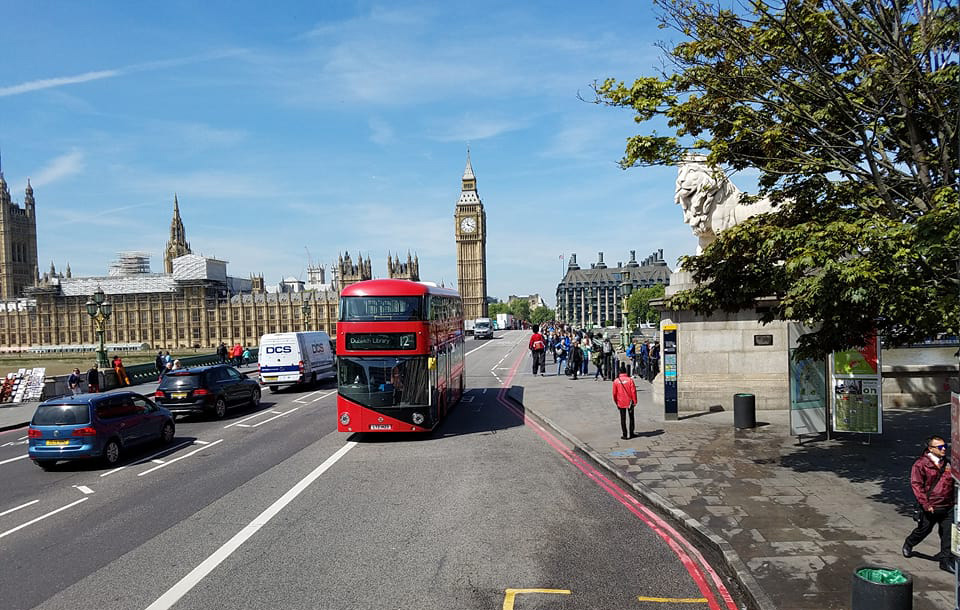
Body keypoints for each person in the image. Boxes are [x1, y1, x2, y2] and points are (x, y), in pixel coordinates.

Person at [903, 436, 956, 573]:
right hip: (931, 507)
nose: (944, 449)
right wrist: (925, 504)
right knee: (924, 530)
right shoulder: (921, 464)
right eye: (940, 447)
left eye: (945, 446)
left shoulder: (948, 463)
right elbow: (917, 485)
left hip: (947, 506)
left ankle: (945, 560)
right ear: (931, 449)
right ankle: (909, 543)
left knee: (947, 534)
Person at [612, 363, 637, 440]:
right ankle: (631, 433)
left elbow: (614, 393)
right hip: (630, 402)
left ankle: (625, 434)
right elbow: (633, 391)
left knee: (623, 418)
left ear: (619, 372)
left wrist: (616, 402)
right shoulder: (630, 380)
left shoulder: (616, 381)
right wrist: (635, 401)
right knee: (631, 418)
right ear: (626, 372)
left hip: (620, 402)